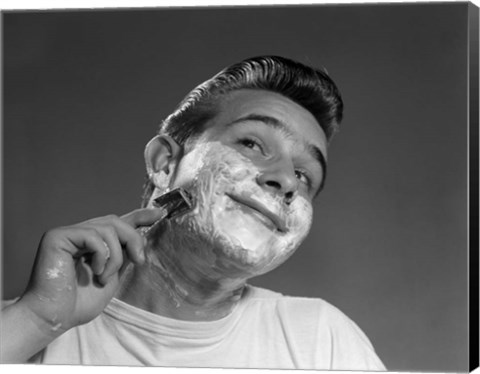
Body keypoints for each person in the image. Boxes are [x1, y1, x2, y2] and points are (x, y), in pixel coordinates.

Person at [1, 55, 385, 370]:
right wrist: (36, 322)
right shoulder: (25, 328)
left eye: (305, 176)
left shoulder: (322, 340)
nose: (286, 180)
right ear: (165, 163)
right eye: (252, 143)